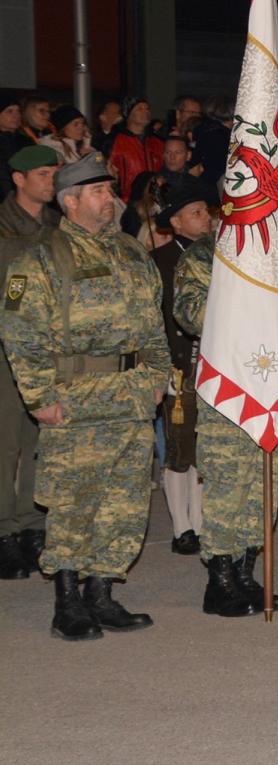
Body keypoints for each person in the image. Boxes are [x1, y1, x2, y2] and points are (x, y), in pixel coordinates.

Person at [0, 153, 169, 639]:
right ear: (71, 201)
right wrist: (37, 397)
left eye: (111, 191)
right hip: (76, 400)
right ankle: (68, 601)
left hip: (132, 398)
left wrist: (158, 375)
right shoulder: (39, 258)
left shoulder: (132, 253)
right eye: (99, 192)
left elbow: (154, 324)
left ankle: (103, 593)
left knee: (124, 502)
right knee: (74, 502)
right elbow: (17, 331)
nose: (110, 199)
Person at [169, 197, 278, 617]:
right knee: (227, 484)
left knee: (265, 483)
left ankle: (246, 573)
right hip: (228, 385)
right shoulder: (204, 256)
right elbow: (189, 314)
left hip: (271, 381)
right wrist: (247, 302)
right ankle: (219, 582)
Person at [0, 144, 60, 580]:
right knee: (6, 447)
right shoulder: (4, 228)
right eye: (43, 174)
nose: (51, 181)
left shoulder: (57, 227)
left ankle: (32, 523)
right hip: (6, 350)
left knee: (40, 444)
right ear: (19, 179)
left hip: (51, 349)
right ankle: (4, 532)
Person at [150, 178, 213, 558]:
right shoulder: (160, 262)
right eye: (196, 213)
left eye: (206, 211)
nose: (206, 219)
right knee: (180, 449)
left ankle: (202, 521)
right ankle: (181, 526)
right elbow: (154, 320)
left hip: (216, 366)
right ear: (175, 222)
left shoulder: (221, 256)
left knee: (207, 446)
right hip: (180, 366)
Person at [106, 99, 163, 206]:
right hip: (125, 203)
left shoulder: (157, 142)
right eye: (140, 109)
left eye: (147, 108)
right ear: (128, 114)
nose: (145, 111)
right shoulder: (114, 140)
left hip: (154, 202)